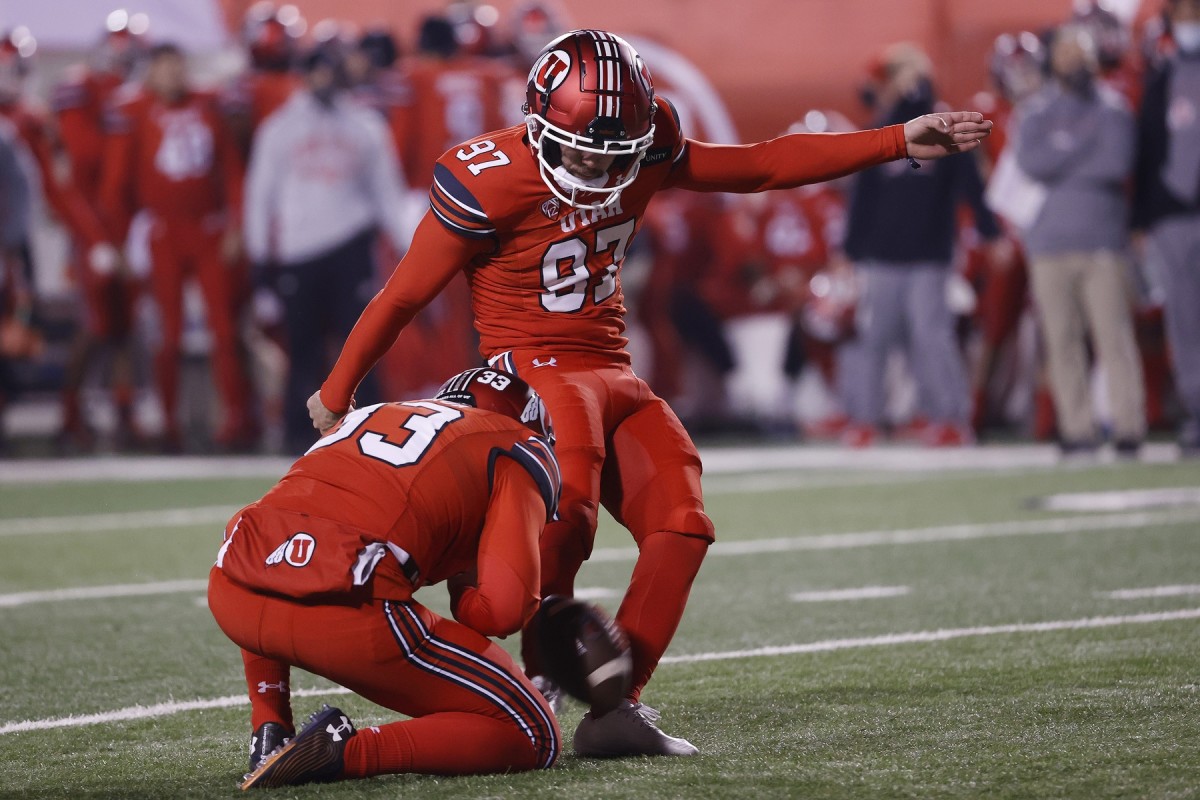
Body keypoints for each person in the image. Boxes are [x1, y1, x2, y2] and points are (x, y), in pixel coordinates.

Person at [308, 29, 992, 756]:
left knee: (683, 523)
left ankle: (616, 705)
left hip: (612, 366)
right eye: (583, 151)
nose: (601, 168)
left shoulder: (647, 136)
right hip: (530, 370)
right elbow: (402, 296)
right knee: (565, 525)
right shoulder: (489, 176)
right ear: (540, 124)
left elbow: (756, 166)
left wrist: (894, 142)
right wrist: (336, 391)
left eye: (617, 154)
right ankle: (527, 686)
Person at [210, 367, 561, 788]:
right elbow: (502, 613)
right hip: (344, 616)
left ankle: (269, 726)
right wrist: (463, 590)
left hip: (235, 585)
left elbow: (296, 516)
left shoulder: (371, 415)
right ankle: (344, 752)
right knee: (534, 730)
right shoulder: (519, 444)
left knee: (279, 546)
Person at [244, 39, 412, 452]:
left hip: (350, 247)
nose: (323, 78)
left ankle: (373, 434)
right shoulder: (279, 127)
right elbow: (259, 197)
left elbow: (387, 194)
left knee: (362, 344)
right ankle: (298, 436)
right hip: (298, 252)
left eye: (329, 69)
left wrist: (411, 250)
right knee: (302, 351)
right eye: (316, 69)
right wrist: (261, 264)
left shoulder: (365, 125)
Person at [839, 42, 1003, 448]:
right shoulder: (882, 128)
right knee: (874, 338)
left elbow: (971, 184)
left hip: (929, 252)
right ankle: (866, 418)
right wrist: (849, 251)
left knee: (932, 338)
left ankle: (950, 416)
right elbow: (863, 196)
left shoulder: (942, 124)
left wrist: (990, 231)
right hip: (882, 254)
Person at [100, 42, 253, 452]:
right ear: (150, 73)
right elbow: (117, 185)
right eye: (164, 67)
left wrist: (237, 225)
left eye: (177, 66)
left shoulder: (209, 105)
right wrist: (118, 240)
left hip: (207, 229)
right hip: (163, 232)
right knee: (166, 335)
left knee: (224, 329)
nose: (172, 75)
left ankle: (235, 420)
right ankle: (169, 422)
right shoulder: (135, 113)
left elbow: (232, 171)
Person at [1016, 25, 1144, 458]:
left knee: (1114, 339)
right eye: (1064, 53)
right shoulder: (1033, 112)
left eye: (1079, 53)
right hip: (1048, 244)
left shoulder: (1114, 108)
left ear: (1093, 59)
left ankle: (1128, 427)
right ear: (1052, 60)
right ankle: (1078, 429)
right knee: (1061, 342)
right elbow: (1030, 162)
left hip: (1102, 242)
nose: (1072, 62)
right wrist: (1082, 151)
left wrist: (1062, 159)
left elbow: (1115, 163)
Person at [51, 18, 146, 450]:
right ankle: (70, 414)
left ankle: (124, 415)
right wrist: (96, 237)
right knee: (95, 326)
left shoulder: (134, 98)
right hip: (95, 229)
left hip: (127, 227)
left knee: (126, 326)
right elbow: (75, 175)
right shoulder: (82, 91)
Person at [1133, 0, 1200, 457]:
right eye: (1183, 12)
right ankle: (1198, 416)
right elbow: (1148, 149)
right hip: (1174, 215)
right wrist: (1142, 218)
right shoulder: (1161, 77)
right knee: (1185, 322)